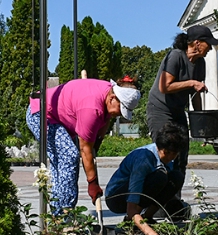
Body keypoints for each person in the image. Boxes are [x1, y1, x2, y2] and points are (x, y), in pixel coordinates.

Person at [26, 79, 141, 211]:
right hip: (41, 113)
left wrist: (96, 144)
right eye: (121, 109)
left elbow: (106, 119)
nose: (120, 114)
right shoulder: (91, 109)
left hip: (56, 117)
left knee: (62, 163)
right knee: (69, 156)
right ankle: (64, 214)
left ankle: (58, 215)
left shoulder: (109, 93)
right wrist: (92, 183)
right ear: (113, 98)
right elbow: (85, 149)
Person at [146, 24, 218, 189]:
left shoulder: (200, 63)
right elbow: (165, 86)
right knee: (165, 152)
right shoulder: (176, 56)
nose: (211, 48)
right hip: (160, 109)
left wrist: (200, 123)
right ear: (197, 43)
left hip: (178, 110)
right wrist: (192, 83)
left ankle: (173, 201)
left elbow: (195, 93)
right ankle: (155, 202)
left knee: (181, 154)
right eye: (209, 43)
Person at [104, 123, 188, 235]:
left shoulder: (166, 158)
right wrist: (150, 233)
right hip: (117, 197)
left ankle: (147, 218)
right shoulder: (144, 160)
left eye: (176, 153)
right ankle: (129, 222)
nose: (173, 157)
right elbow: (131, 207)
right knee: (160, 177)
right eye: (171, 153)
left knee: (176, 177)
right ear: (163, 150)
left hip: (142, 191)